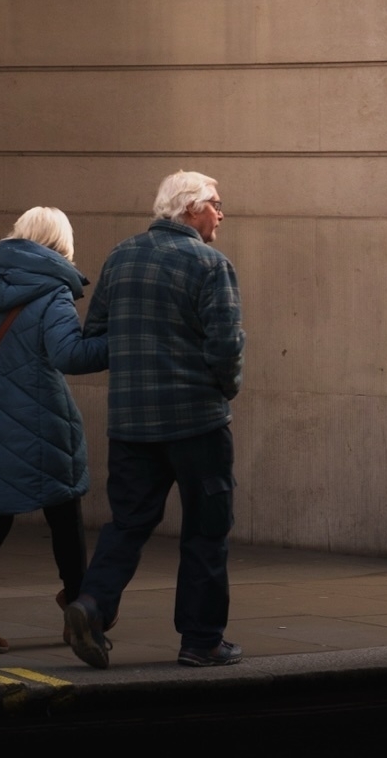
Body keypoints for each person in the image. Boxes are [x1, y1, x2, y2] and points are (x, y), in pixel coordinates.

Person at [64, 171, 244, 670]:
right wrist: (225, 388)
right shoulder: (211, 265)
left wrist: (134, 346)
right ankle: (201, 641)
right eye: (216, 204)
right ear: (190, 210)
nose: (221, 214)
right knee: (207, 531)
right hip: (197, 424)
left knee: (127, 524)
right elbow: (226, 346)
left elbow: (94, 337)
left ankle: (92, 605)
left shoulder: (121, 257)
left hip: (132, 424)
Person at [0, 206, 107, 654]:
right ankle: (78, 615)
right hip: (44, 423)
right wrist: (117, 341)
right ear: (60, 244)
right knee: (65, 519)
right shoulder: (52, 293)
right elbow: (69, 356)